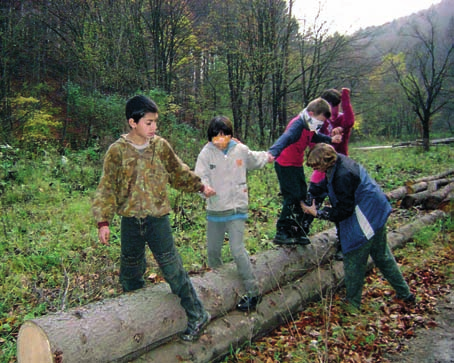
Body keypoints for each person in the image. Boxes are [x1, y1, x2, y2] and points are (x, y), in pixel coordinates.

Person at [92, 95, 216, 342]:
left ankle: (197, 314)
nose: (154, 127)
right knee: (130, 272)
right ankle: (140, 321)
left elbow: (178, 171)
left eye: (155, 122)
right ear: (132, 122)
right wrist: (103, 221)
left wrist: (200, 186)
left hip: (157, 219)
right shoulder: (117, 151)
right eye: (148, 123)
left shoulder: (160, 146)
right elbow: (107, 186)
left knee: (172, 269)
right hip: (130, 221)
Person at [302, 143, 415, 310]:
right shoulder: (339, 162)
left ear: (326, 161)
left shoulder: (343, 175)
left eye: (318, 166)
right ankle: (405, 294)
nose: (316, 170)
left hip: (366, 216)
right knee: (382, 256)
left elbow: (344, 211)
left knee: (354, 259)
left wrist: (317, 213)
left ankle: (353, 305)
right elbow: (327, 187)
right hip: (377, 210)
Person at [195, 116, 274, 312]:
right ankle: (220, 286)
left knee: (237, 249)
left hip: (237, 207)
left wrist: (268, 156)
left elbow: (255, 159)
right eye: (216, 136)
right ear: (210, 137)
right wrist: (204, 188)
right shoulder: (206, 154)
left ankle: (253, 291)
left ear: (231, 135)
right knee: (213, 251)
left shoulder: (240, 149)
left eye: (225, 135)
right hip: (215, 209)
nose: (221, 140)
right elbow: (199, 176)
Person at [268, 98, 342, 246]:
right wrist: (273, 152)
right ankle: (282, 231)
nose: (319, 125)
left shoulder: (310, 125)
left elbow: (314, 136)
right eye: (318, 121)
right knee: (292, 196)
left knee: (302, 195)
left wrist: (330, 139)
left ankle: (296, 229)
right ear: (311, 113)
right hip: (284, 164)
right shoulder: (298, 124)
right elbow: (286, 137)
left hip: (295, 164)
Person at [308, 88, 355, 260]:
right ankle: (301, 234)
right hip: (320, 171)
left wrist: (345, 97)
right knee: (311, 199)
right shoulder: (319, 121)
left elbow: (350, 121)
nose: (332, 113)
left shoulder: (343, 119)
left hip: (339, 171)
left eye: (335, 107)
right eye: (329, 108)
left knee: (341, 208)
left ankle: (345, 245)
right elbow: (310, 134)